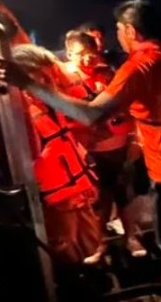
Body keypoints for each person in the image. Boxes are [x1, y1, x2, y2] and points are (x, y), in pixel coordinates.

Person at [0, 0, 161, 301]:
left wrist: (26, 83)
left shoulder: (138, 67)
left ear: (131, 31)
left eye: (119, 30)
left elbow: (90, 114)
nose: (118, 36)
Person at [8, 45, 103, 266]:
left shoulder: (50, 101)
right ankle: (73, 278)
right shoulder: (17, 108)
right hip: (55, 195)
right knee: (64, 245)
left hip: (77, 186)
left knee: (91, 239)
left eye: (48, 73)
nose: (48, 79)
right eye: (39, 75)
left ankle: (92, 271)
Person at [63, 30, 145, 259]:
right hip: (87, 152)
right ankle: (98, 243)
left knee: (124, 194)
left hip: (118, 147)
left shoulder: (109, 74)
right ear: (69, 54)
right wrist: (84, 130)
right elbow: (59, 116)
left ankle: (131, 237)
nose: (88, 58)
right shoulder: (62, 79)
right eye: (81, 54)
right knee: (98, 199)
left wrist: (134, 139)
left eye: (91, 53)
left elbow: (131, 107)